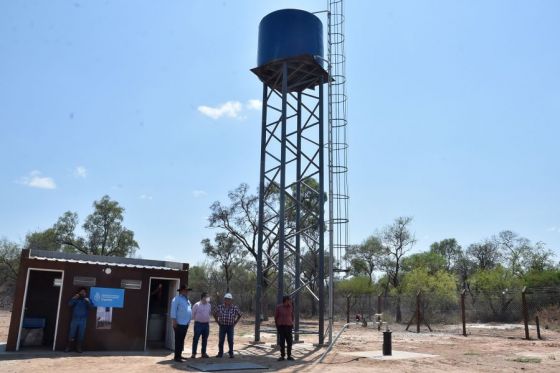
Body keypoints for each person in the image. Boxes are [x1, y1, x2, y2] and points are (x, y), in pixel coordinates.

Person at [213, 293, 242, 358]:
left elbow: (240, 314)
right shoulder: (220, 307)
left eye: (229, 299)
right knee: (221, 340)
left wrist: (235, 323)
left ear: (231, 300)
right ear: (224, 300)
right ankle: (220, 353)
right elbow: (214, 313)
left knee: (230, 340)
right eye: (226, 299)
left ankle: (231, 353)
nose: (227, 301)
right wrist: (217, 321)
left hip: (230, 326)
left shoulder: (234, 308)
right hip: (222, 326)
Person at [65, 287, 93, 353]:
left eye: (84, 292)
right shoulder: (76, 299)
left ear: (86, 293)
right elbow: (69, 304)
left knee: (81, 334)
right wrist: (74, 298)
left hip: (83, 320)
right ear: (79, 292)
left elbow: (92, 308)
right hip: (75, 319)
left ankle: (79, 348)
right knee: (72, 333)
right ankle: (68, 347)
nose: (83, 293)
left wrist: (88, 302)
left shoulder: (87, 300)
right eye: (81, 292)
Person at [170, 284, 192, 362]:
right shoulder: (176, 299)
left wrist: (189, 321)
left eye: (187, 291)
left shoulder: (187, 300)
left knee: (182, 340)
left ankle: (180, 355)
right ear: (182, 291)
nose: (187, 292)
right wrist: (174, 321)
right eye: (186, 290)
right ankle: (177, 357)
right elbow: (173, 310)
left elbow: (188, 311)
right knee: (178, 340)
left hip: (185, 323)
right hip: (179, 323)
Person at [190, 292, 211, 358]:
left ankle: (203, 353)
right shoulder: (197, 305)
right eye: (207, 297)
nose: (208, 298)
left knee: (205, 339)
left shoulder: (209, 305)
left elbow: (209, 313)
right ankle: (193, 353)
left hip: (206, 324)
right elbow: (192, 314)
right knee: (196, 338)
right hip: (198, 324)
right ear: (203, 297)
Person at [274, 295, 294, 361]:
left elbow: (292, 316)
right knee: (282, 342)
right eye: (289, 300)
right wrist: (277, 326)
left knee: (289, 342)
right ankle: (282, 356)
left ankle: (289, 356)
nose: (290, 301)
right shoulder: (279, 307)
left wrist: (291, 323)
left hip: (289, 327)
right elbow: (276, 317)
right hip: (281, 327)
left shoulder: (291, 307)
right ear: (286, 300)